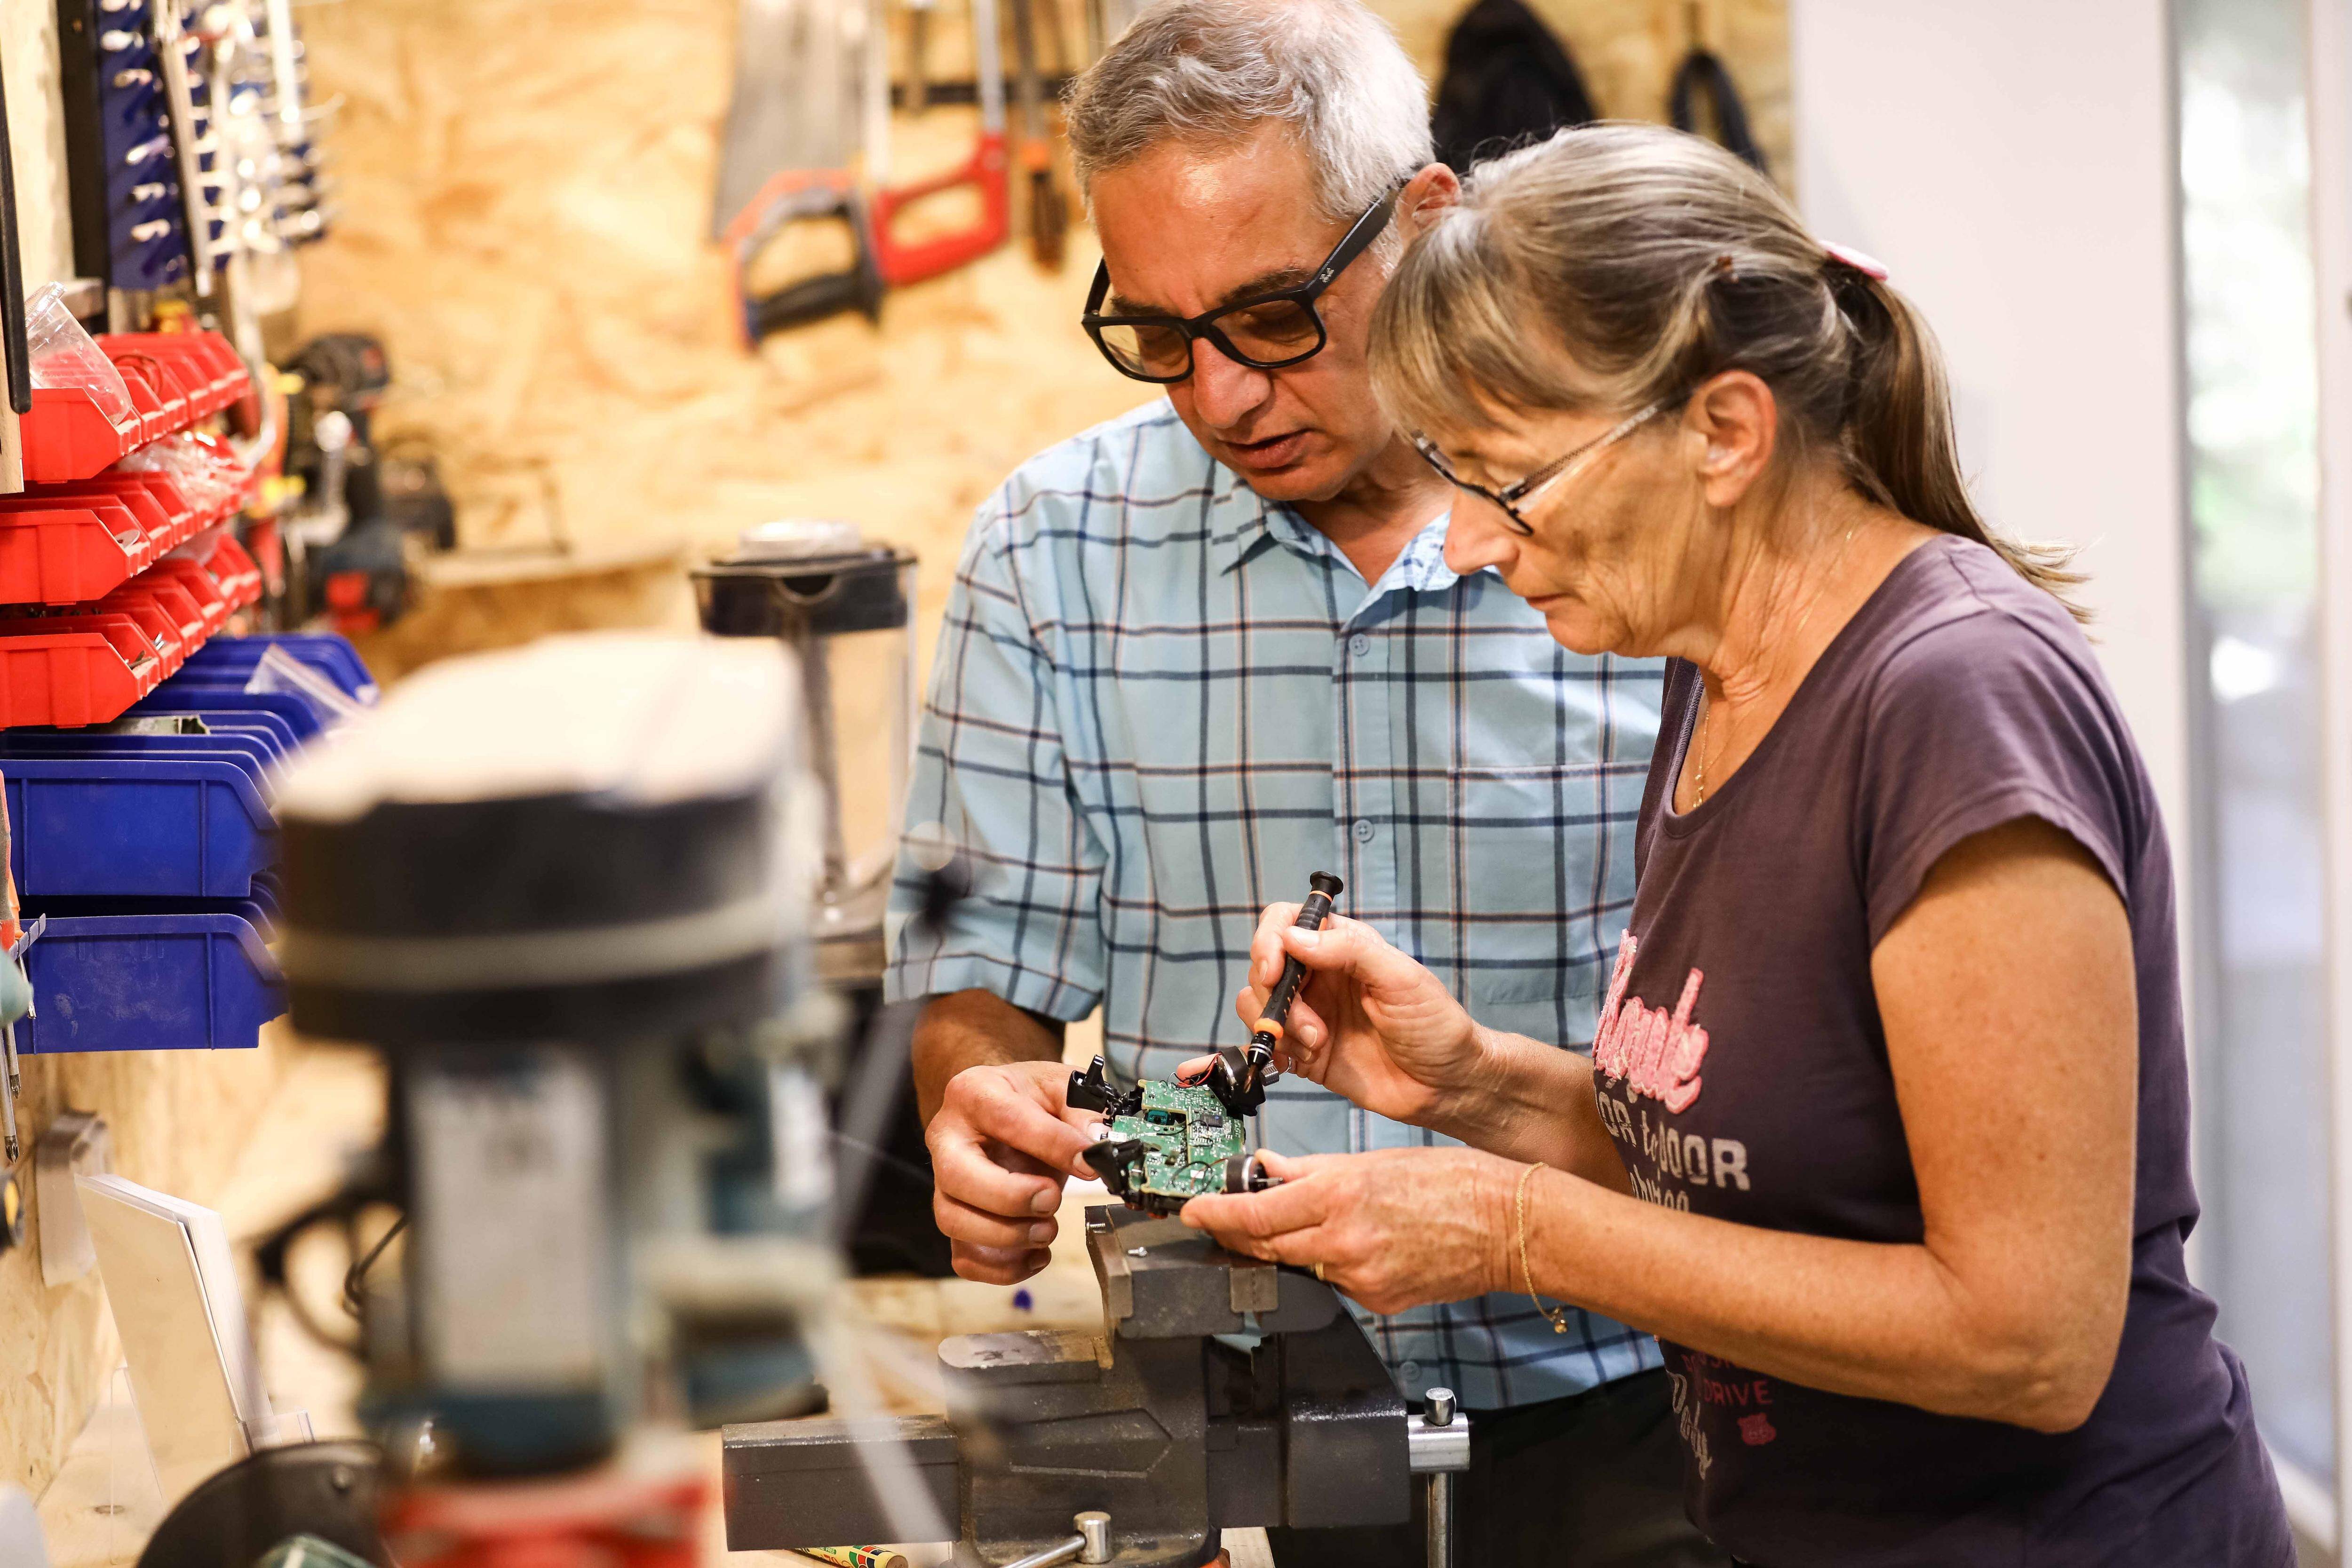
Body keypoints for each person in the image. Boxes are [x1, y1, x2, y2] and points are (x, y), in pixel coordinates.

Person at [1180, 121, 2297, 1565]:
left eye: (1507, 481)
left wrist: (1517, 1233)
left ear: (1724, 432)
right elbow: (1764, 1168)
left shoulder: (1953, 698)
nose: (1466, 542)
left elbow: (2029, 1337)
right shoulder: (1715, 666)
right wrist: (1473, 1085)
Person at [884, 4, 1722, 1565]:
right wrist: (981, 1111)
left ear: (1422, 219)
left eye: (1274, 317)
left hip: (1638, 1402)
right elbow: (984, 985)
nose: (1218, 397)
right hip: (1234, 1416)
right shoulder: (1053, 552)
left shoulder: (1628, 529)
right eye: (1158, 334)